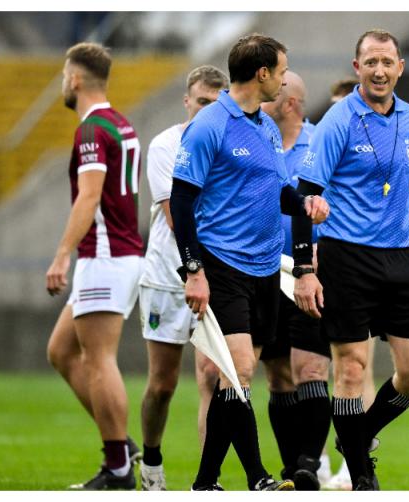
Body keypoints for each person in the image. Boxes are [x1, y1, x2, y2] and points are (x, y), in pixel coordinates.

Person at [169, 34, 329, 491]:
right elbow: (182, 202)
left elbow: (279, 193)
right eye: (281, 70)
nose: (283, 78)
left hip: (264, 269)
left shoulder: (266, 128)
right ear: (262, 74)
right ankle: (258, 476)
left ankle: (204, 483)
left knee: (234, 380)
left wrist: (305, 205)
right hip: (222, 265)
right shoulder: (210, 125)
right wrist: (193, 270)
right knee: (237, 372)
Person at [292, 29, 409, 491]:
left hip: (400, 258)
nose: (379, 70)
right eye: (370, 61)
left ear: (400, 67)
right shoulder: (338, 120)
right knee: (351, 368)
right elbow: (304, 194)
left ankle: (359, 435)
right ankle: (362, 475)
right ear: (357, 68)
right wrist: (305, 270)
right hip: (347, 256)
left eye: (387, 62)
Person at [45, 42, 145, 490]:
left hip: (104, 255)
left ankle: (118, 467)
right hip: (118, 254)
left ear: (76, 79)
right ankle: (121, 444)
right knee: (61, 351)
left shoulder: (90, 130)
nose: (63, 83)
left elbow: (90, 195)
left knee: (99, 358)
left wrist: (63, 253)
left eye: (65, 75)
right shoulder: (120, 123)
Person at [137, 65, 228, 491]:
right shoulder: (165, 145)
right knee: (163, 383)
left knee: (212, 375)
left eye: (216, 102)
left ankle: (207, 480)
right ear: (187, 101)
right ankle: (151, 461)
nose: (208, 109)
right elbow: (178, 216)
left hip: (214, 275)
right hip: (167, 277)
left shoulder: (230, 142)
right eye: (202, 101)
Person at [257, 70, 333, 491]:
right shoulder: (257, 140)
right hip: (264, 272)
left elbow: (337, 202)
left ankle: (308, 463)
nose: (260, 101)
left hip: (311, 274)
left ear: (289, 103)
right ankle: (292, 471)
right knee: (277, 375)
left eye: (270, 96)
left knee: (311, 369)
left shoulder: (321, 142)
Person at [318, 74, 379, 491]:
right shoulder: (319, 148)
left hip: (358, 267)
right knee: (314, 368)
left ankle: (352, 462)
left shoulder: (374, 156)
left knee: (358, 365)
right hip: (314, 269)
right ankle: (317, 458)